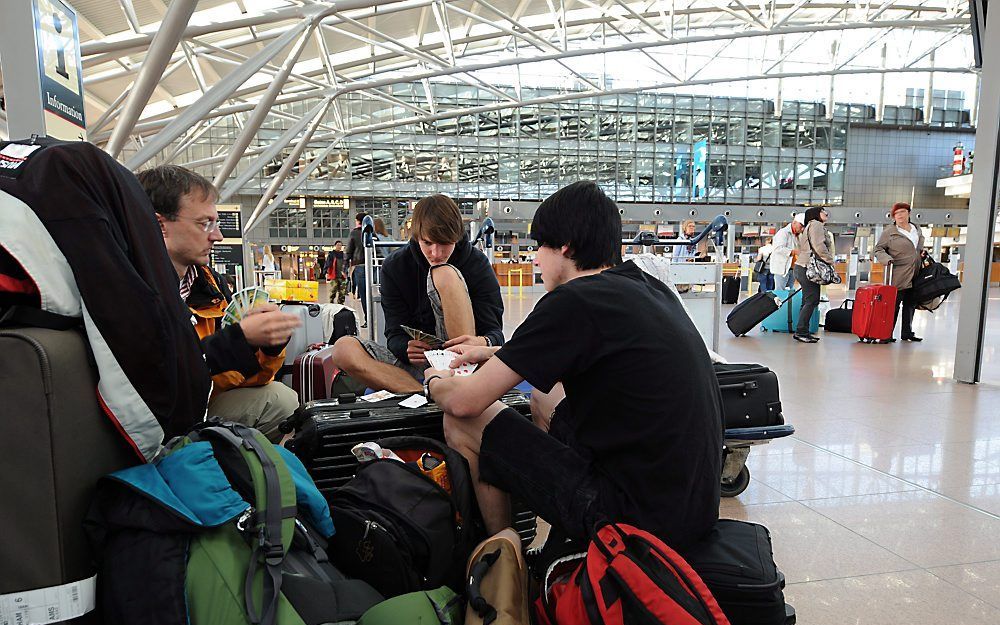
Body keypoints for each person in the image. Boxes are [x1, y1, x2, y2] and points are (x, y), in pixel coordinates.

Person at [425, 181, 723, 550]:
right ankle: (561, 532)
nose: (535, 259)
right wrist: (489, 353)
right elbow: (572, 352)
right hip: (687, 508)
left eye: (540, 246)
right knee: (543, 397)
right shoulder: (644, 286)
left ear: (565, 246)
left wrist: (435, 379)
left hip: (628, 522)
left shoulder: (573, 301)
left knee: (462, 420)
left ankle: (503, 556)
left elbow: (466, 401)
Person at [137, 165, 302, 442]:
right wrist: (237, 340)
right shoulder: (132, 289)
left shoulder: (210, 287)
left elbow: (234, 381)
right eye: (205, 223)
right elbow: (156, 377)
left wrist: (267, 346)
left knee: (280, 400)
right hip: (151, 421)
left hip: (201, 406)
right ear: (159, 225)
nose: (218, 236)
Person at [329, 194, 505, 393]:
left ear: (456, 237)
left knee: (444, 273)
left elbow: (495, 334)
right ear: (417, 236)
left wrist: (482, 342)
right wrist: (406, 348)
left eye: (445, 243)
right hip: (418, 366)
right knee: (343, 349)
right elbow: (393, 333)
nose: (436, 253)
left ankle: (453, 388)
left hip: (465, 362)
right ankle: (430, 394)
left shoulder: (477, 264)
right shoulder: (395, 267)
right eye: (428, 243)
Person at [874, 202, 926, 342]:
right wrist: (887, 259)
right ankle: (886, 334)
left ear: (909, 213)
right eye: (897, 213)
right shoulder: (890, 232)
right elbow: (878, 249)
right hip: (898, 272)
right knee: (894, 305)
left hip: (915, 271)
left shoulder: (916, 229)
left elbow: (916, 247)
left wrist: (921, 253)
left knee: (911, 304)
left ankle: (907, 332)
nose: (900, 215)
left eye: (902, 212)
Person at [793, 207, 833, 344]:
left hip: (803, 266)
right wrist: (830, 261)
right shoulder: (816, 224)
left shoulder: (810, 225)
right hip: (807, 268)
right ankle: (801, 332)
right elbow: (819, 246)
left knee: (808, 300)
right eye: (823, 211)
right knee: (812, 300)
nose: (826, 213)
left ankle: (802, 330)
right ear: (816, 214)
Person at [771, 214, 804, 290]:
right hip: (782, 269)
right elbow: (778, 249)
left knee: (790, 291)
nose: (802, 229)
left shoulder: (797, 235)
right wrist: (794, 252)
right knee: (780, 292)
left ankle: (787, 302)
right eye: (801, 225)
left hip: (792, 268)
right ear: (794, 222)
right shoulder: (783, 233)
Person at [345, 211, 368, 317]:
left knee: (363, 293)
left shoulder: (354, 233)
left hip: (360, 266)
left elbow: (349, 250)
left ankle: (367, 318)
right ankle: (373, 316)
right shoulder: (371, 232)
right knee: (372, 292)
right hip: (372, 265)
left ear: (358, 221)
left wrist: (345, 265)